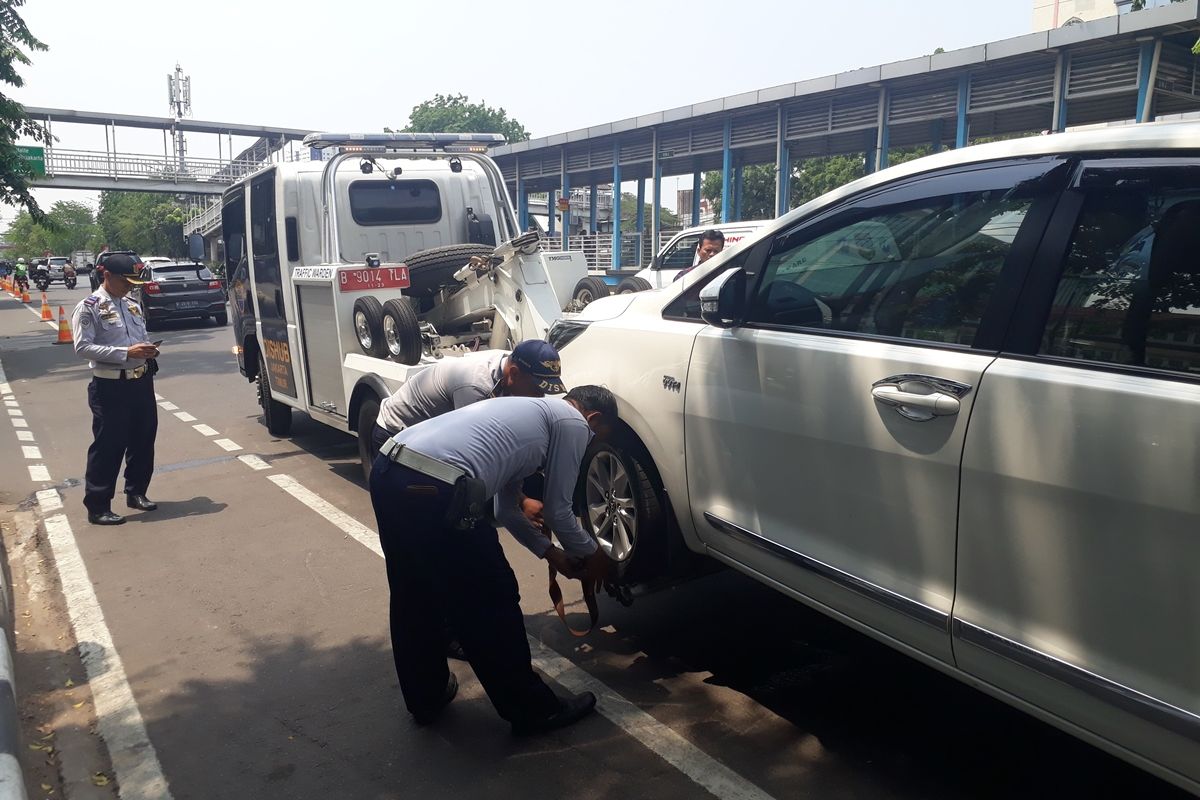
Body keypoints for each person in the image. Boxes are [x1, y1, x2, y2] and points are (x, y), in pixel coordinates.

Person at [369, 385, 617, 734]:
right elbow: (560, 513)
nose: (588, 445)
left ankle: (426, 697)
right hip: (435, 487)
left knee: (415, 592)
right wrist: (596, 557)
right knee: (490, 596)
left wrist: (553, 554)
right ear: (593, 418)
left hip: (390, 469)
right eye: (596, 438)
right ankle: (533, 710)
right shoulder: (574, 423)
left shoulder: (530, 411)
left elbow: (506, 508)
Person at [368, 339, 566, 660]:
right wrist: (519, 500)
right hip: (399, 442)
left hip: (430, 452)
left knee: (444, 555)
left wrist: (519, 497)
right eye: (536, 389)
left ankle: (451, 627)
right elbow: (475, 460)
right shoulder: (475, 388)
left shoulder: (508, 379)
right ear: (513, 373)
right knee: (436, 552)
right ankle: (450, 633)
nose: (540, 399)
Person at [72, 254, 160, 526]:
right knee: (109, 446)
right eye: (126, 281)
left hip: (141, 381)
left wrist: (147, 351)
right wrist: (126, 352)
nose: (130, 287)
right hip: (110, 384)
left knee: (143, 440)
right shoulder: (89, 308)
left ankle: (136, 493)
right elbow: (82, 347)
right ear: (107, 275)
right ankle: (98, 506)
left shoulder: (132, 304)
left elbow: (138, 337)